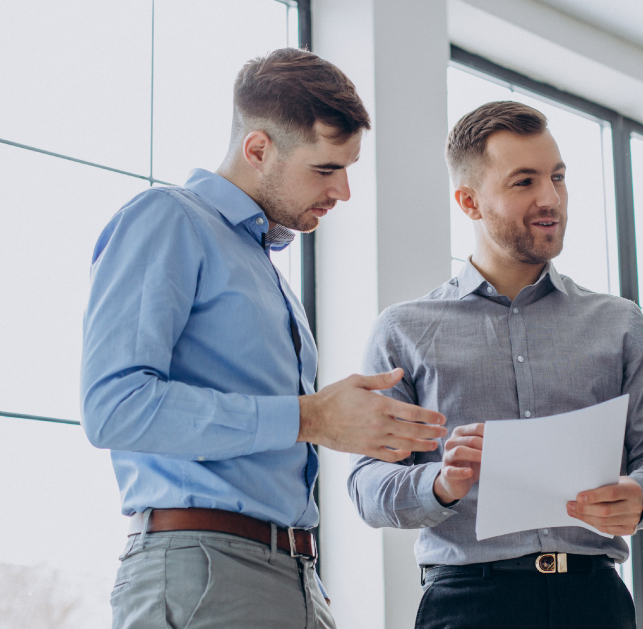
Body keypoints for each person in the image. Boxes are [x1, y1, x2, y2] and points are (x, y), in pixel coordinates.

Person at [80, 48, 447, 629]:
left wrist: (346, 424)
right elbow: (114, 409)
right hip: (207, 572)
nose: (344, 192)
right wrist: (309, 418)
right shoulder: (168, 220)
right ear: (258, 149)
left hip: (292, 574)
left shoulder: (262, 267)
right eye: (326, 169)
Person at [347, 101, 643, 629]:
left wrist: (642, 496)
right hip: (467, 604)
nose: (550, 198)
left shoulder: (619, 323)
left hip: (595, 599)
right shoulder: (404, 330)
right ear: (469, 201)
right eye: (524, 181)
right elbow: (367, 485)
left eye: (557, 177)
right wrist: (439, 484)